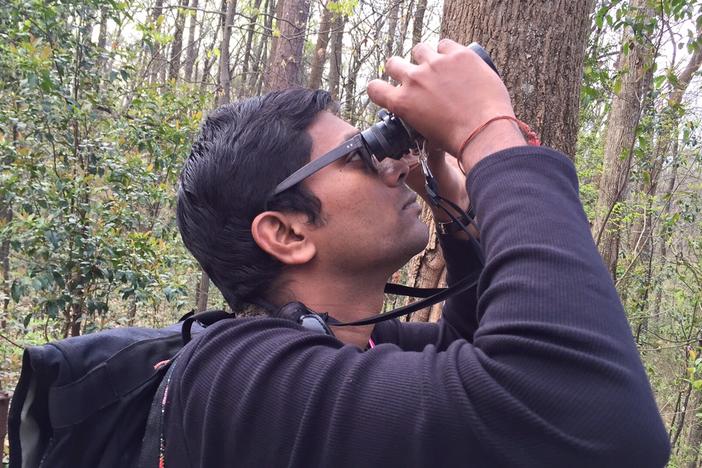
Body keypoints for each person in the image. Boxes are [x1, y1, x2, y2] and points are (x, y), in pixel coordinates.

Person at [168, 39, 670, 467]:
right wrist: (488, 131)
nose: (393, 163)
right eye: (360, 153)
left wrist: (455, 203)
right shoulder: (240, 380)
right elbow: (594, 417)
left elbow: (464, 345)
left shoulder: (350, 343)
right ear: (288, 234)